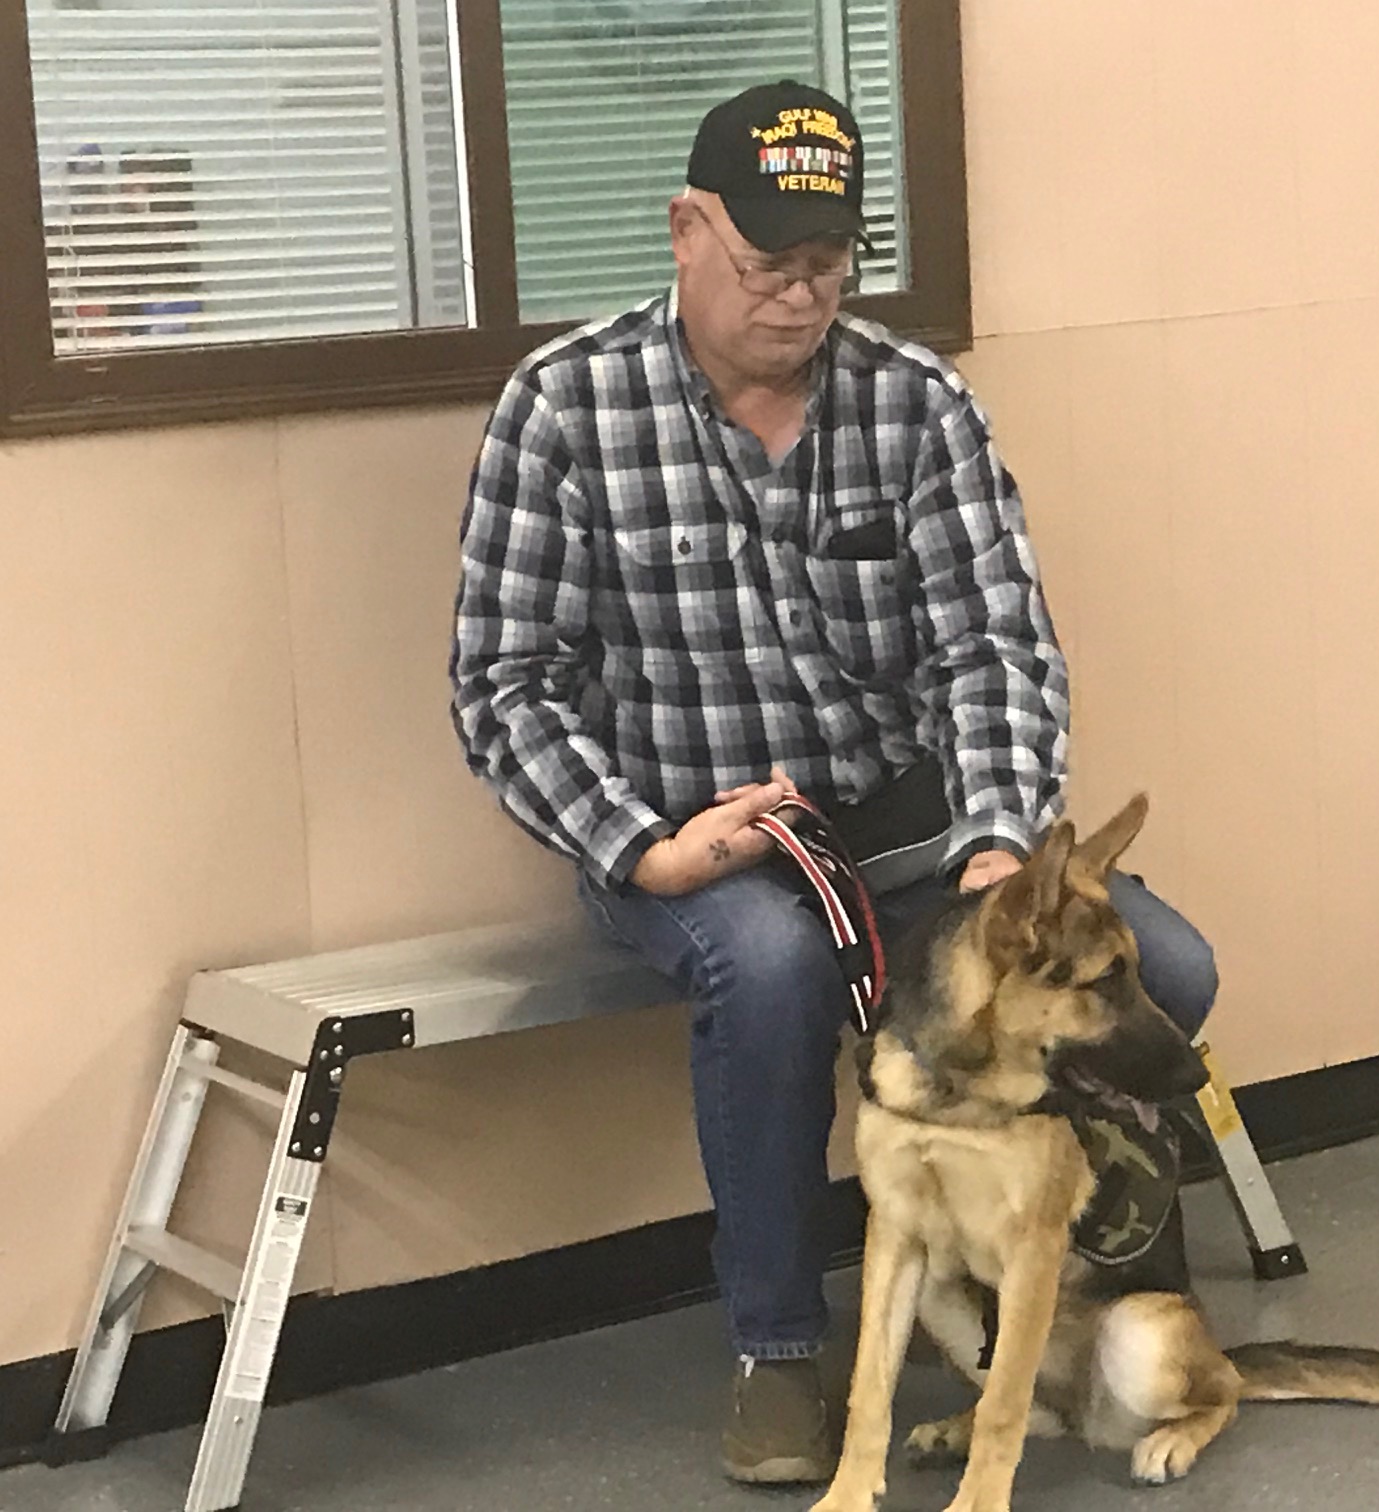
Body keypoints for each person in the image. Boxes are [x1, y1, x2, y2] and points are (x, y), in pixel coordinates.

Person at [449, 79, 1217, 1485]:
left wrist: (997, 843)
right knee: (772, 972)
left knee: (1166, 965)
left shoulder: (915, 404)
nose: (801, 299)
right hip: (694, 838)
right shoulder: (563, 409)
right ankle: (779, 1349)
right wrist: (643, 847)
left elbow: (997, 648)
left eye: (826, 265)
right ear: (686, 230)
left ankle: (1031, 1290)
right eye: (767, 265)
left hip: (910, 829)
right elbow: (503, 687)